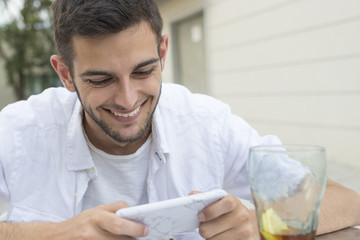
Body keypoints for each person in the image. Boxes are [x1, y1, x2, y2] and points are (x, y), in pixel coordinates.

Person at [0, 0, 359, 239]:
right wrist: (50, 233)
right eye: (100, 79)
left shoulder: (208, 124)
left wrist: (258, 224)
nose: (128, 99)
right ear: (64, 74)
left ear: (163, 52)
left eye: (143, 71)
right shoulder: (19, 131)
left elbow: (345, 201)